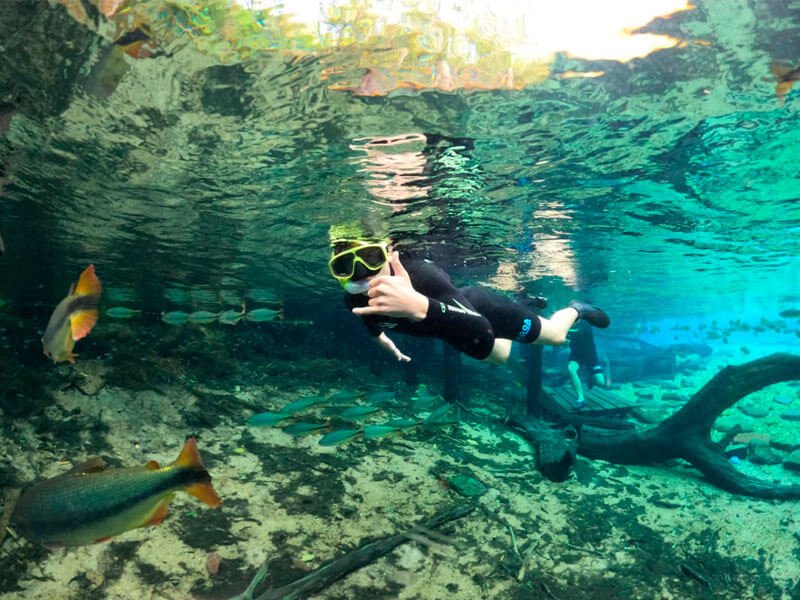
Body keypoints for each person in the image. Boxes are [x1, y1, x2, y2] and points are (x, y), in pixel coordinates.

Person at [328, 235, 610, 365]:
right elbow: (374, 328)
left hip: (482, 310)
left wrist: (420, 307)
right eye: (344, 266)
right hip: (456, 327)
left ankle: (577, 308)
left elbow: (482, 332)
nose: (361, 273)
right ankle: (521, 301)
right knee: (499, 358)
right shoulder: (355, 302)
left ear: (390, 252)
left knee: (557, 336)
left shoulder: (424, 276)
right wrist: (393, 349)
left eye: (371, 258)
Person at [566, 319, 607, 408]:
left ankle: (591, 380)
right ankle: (581, 399)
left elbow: (578, 332)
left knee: (600, 382)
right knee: (571, 369)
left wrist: (564, 330)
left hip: (590, 356)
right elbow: (566, 340)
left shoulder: (585, 323)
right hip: (576, 355)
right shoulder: (567, 326)